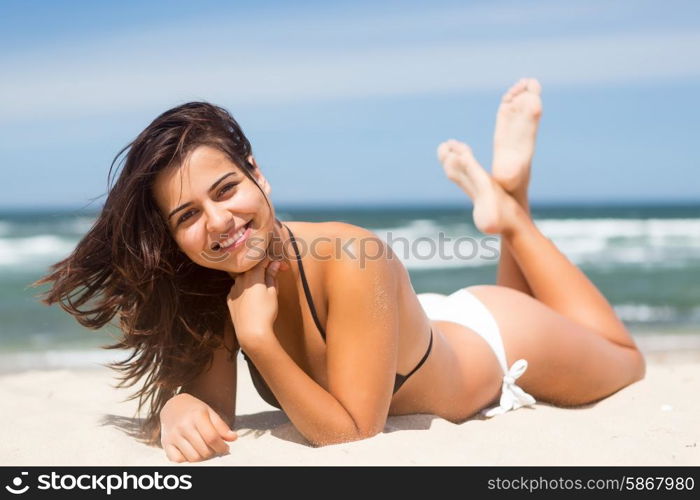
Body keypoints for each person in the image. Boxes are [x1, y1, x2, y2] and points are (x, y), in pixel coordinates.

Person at [33, 78, 645, 463]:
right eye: (188, 214)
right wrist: (174, 408)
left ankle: (512, 212)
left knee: (626, 358)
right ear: (171, 235)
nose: (218, 222)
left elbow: (352, 434)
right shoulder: (210, 283)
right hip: (419, 331)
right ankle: (504, 195)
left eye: (226, 190)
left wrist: (258, 340)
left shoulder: (354, 256)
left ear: (257, 174)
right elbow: (211, 407)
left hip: (499, 336)